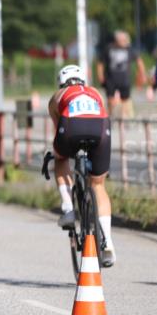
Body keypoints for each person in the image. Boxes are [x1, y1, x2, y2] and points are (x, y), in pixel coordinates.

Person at [47, 64, 115, 267]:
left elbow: (59, 128)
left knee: (60, 159)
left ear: (61, 82)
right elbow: (102, 114)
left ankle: (68, 208)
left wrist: (55, 153)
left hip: (71, 127)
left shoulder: (57, 96)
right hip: (100, 128)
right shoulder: (95, 92)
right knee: (98, 184)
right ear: (83, 81)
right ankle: (108, 244)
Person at [96, 30, 147, 119]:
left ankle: (124, 119)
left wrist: (142, 74)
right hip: (110, 79)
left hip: (124, 80)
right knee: (110, 99)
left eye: (125, 40)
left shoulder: (129, 49)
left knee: (125, 101)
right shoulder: (109, 49)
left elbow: (139, 61)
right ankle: (110, 117)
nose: (125, 42)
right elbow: (100, 63)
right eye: (123, 40)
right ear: (117, 40)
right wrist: (100, 76)